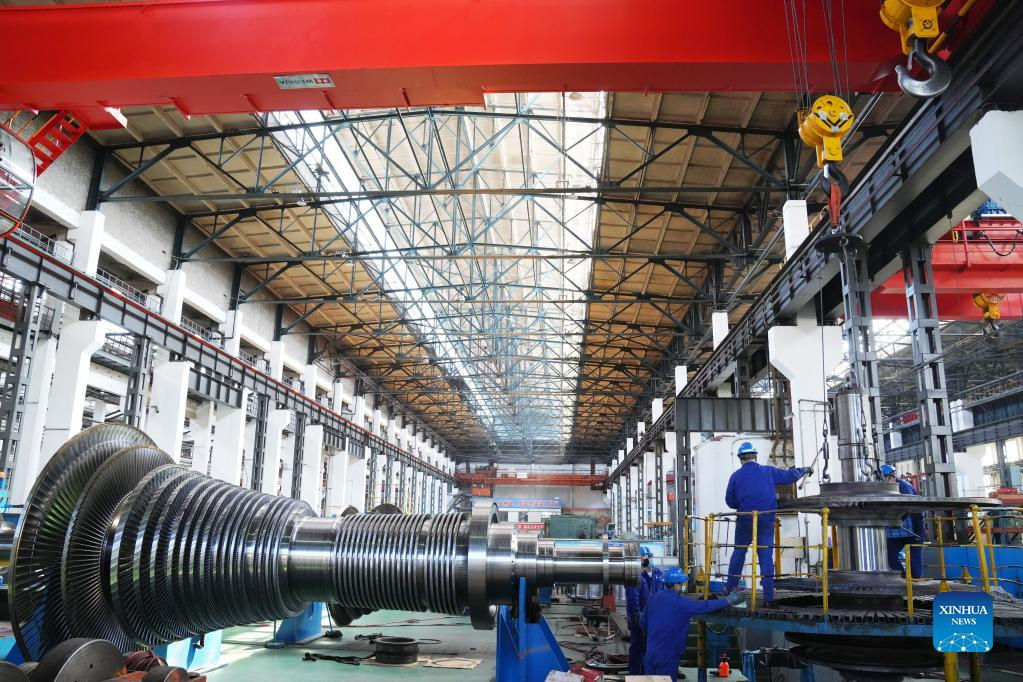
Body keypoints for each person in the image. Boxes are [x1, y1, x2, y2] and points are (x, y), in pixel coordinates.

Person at [724, 441, 812, 605]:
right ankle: (768, 599)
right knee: (765, 557)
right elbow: (789, 476)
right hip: (765, 520)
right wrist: (804, 470)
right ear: (755, 456)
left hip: (745, 520)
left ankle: (730, 591)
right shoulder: (768, 472)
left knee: (739, 553)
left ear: (740, 458)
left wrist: (743, 505)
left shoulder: (735, 476)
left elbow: (730, 501)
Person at [640, 566, 743, 682]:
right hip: (667, 656)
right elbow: (705, 606)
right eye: (681, 584)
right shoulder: (681, 603)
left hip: (650, 653)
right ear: (676, 585)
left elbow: (642, 623)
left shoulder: (653, 599)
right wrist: (728, 600)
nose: (682, 586)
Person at [882, 464, 925, 578]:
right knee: (888, 554)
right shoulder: (884, 490)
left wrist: (896, 518)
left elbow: (908, 506)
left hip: (913, 529)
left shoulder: (903, 486)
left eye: (884, 478)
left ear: (891, 476)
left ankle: (915, 583)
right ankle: (903, 579)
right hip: (896, 532)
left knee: (914, 557)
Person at [625, 546, 663, 674]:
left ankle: (648, 673)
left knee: (651, 648)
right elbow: (633, 597)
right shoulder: (636, 575)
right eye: (645, 557)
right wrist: (636, 615)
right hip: (639, 617)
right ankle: (636, 675)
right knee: (638, 648)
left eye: (649, 556)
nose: (648, 559)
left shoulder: (658, 573)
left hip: (655, 618)